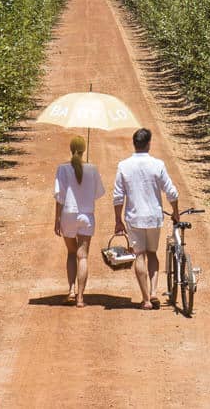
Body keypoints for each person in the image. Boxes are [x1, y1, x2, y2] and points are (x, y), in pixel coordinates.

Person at [111, 127, 179, 309]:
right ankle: (154, 292)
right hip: (154, 218)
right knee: (152, 253)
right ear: (149, 144)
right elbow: (171, 192)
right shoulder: (158, 165)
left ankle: (146, 299)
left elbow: (118, 196)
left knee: (139, 255)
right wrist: (176, 211)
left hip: (134, 218)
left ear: (134, 144)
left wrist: (118, 220)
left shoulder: (123, 166)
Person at [52, 135, 102, 306]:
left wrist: (57, 219)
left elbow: (59, 197)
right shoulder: (92, 169)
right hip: (86, 215)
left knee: (71, 253)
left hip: (68, 213)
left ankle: (71, 290)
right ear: (84, 150)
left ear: (70, 148)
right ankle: (80, 298)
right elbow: (98, 193)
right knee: (83, 256)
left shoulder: (62, 169)